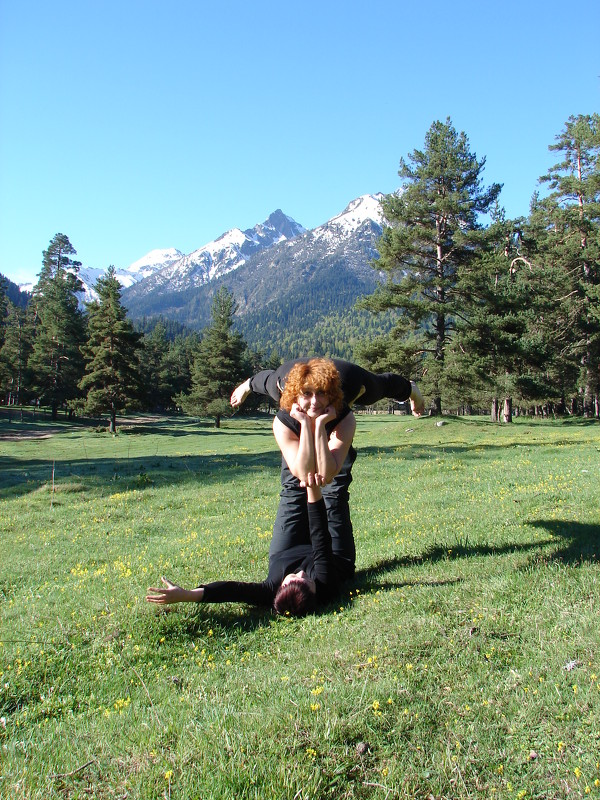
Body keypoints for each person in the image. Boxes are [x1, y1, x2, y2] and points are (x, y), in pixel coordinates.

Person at [146, 403, 354, 616]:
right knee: (333, 492)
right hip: (334, 555)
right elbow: (320, 537)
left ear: (279, 588)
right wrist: (312, 486)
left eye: (293, 579)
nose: (301, 574)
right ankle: (335, 421)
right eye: (307, 581)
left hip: (289, 551)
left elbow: (235, 591)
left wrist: (187, 594)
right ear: (316, 593)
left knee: (293, 487)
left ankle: (296, 425)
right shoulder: (326, 584)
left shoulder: (270, 589)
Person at [230, 357, 425, 416]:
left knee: (377, 389)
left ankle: (410, 388)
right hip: (291, 372)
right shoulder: (281, 387)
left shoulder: (343, 391)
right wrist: (247, 385)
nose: (314, 403)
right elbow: (264, 380)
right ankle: (246, 384)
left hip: (346, 375)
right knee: (266, 383)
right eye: (307, 395)